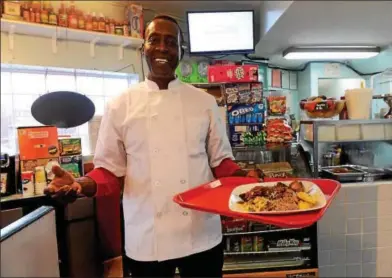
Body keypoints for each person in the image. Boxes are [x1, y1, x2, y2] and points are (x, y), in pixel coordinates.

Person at [45, 15, 263, 277]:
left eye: (171, 42)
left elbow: (221, 162)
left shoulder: (204, 103)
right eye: (154, 40)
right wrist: (80, 184)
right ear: (143, 48)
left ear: (180, 51)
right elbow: (108, 173)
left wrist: (244, 180)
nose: (162, 48)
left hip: (201, 231)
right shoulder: (120, 105)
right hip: (147, 236)